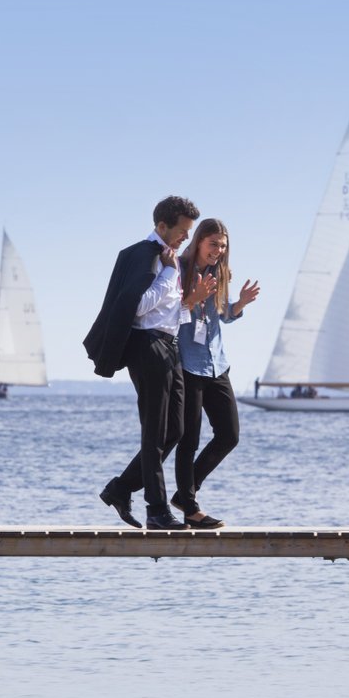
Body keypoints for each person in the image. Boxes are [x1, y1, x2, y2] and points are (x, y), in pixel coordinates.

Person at [84, 195, 201, 530]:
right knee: (154, 433)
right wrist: (168, 273)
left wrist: (190, 303)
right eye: (182, 231)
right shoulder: (147, 256)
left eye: (189, 233)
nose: (185, 238)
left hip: (168, 345)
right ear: (162, 226)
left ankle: (121, 488)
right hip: (147, 347)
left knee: (175, 430)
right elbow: (136, 307)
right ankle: (157, 509)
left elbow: (166, 312)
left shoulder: (168, 258)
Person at [171, 218, 261, 528]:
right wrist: (192, 298)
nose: (218, 251)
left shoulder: (220, 272)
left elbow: (223, 315)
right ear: (198, 242)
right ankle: (190, 506)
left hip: (216, 363)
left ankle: (185, 492)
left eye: (222, 246)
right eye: (213, 245)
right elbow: (171, 313)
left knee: (229, 434)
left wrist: (240, 304)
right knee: (189, 438)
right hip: (187, 363)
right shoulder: (178, 270)